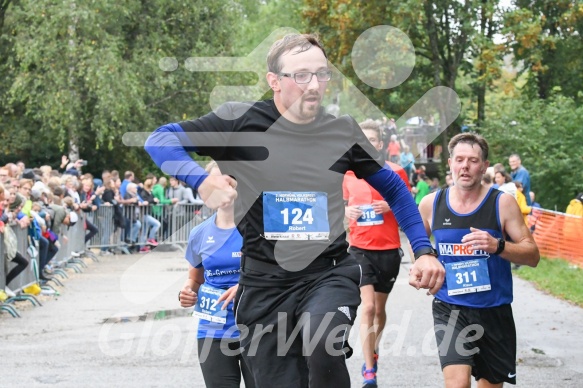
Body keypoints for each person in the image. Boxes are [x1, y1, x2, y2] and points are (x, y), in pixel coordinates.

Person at [145, 33, 443, 387]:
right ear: (274, 81)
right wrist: (201, 181)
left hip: (327, 274)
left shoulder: (341, 131)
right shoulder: (239, 123)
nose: (314, 84)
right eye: (301, 75)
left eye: (321, 73)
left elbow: (393, 187)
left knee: (321, 340)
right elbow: (159, 140)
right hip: (263, 283)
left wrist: (423, 251)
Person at [418, 133, 540, 387]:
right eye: (459, 159)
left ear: (484, 166)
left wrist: (498, 246)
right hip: (450, 307)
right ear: (450, 163)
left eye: (473, 160)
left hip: (494, 310)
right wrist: (425, 262)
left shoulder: (502, 204)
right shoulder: (431, 204)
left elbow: (532, 254)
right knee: (457, 384)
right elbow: (418, 246)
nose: (465, 166)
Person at [342, 119, 411, 387]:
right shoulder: (348, 175)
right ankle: (369, 372)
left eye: (371, 141)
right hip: (360, 248)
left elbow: (407, 205)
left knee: (380, 310)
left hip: (389, 249)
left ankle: (373, 350)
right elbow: (330, 202)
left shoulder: (395, 171)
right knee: (367, 308)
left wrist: (389, 205)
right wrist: (345, 211)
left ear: (380, 144)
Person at [179, 161, 255, 388]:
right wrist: (187, 292)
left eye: (226, 178)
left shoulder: (258, 229)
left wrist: (246, 286)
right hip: (212, 328)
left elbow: (281, 275)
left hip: (258, 326)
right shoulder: (199, 233)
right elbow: (194, 278)